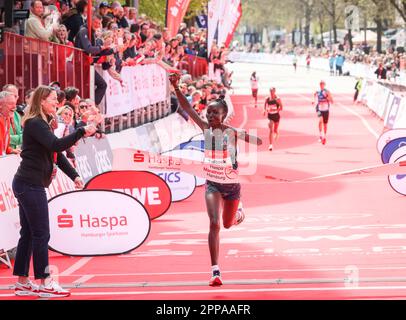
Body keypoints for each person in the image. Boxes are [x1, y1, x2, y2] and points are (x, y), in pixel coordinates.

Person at [169, 73, 262, 287]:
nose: (210, 115)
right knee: (214, 223)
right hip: (212, 183)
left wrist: (243, 137)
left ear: (224, 115)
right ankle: (215, 271)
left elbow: (258, 141)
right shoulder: (205, 128)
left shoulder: (231, 132)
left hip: (231, 187)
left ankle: (238, 213)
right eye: (208, 112)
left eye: (215, 113)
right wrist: (175, 86)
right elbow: (188, 108)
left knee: (227, 224)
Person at [11, 85, 97, 298]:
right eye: (52, 100)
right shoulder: (35, 124)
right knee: (41, 233)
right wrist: (80, 131)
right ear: (41, 101)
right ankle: (45, 281)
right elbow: (57, 145)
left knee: (29, 234)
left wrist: (75, 175)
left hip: (28, 184)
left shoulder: (42, 124)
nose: (56, 104)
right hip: (29, 185)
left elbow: (55, 154)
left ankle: (23, 281)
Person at [313, 80, 333, 145]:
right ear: (319, 85)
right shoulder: (317, 92)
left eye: (322, 84)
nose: (321, 85)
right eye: (320, 84)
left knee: (325, 125)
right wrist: (314, 101)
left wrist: (327, 97)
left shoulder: (327, 92)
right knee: (320, 120)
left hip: (326, 110)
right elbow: (315, 97)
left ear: (324, 85)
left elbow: (332, 101)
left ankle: (324, 136)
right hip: (319, 109)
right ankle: (320, 135)